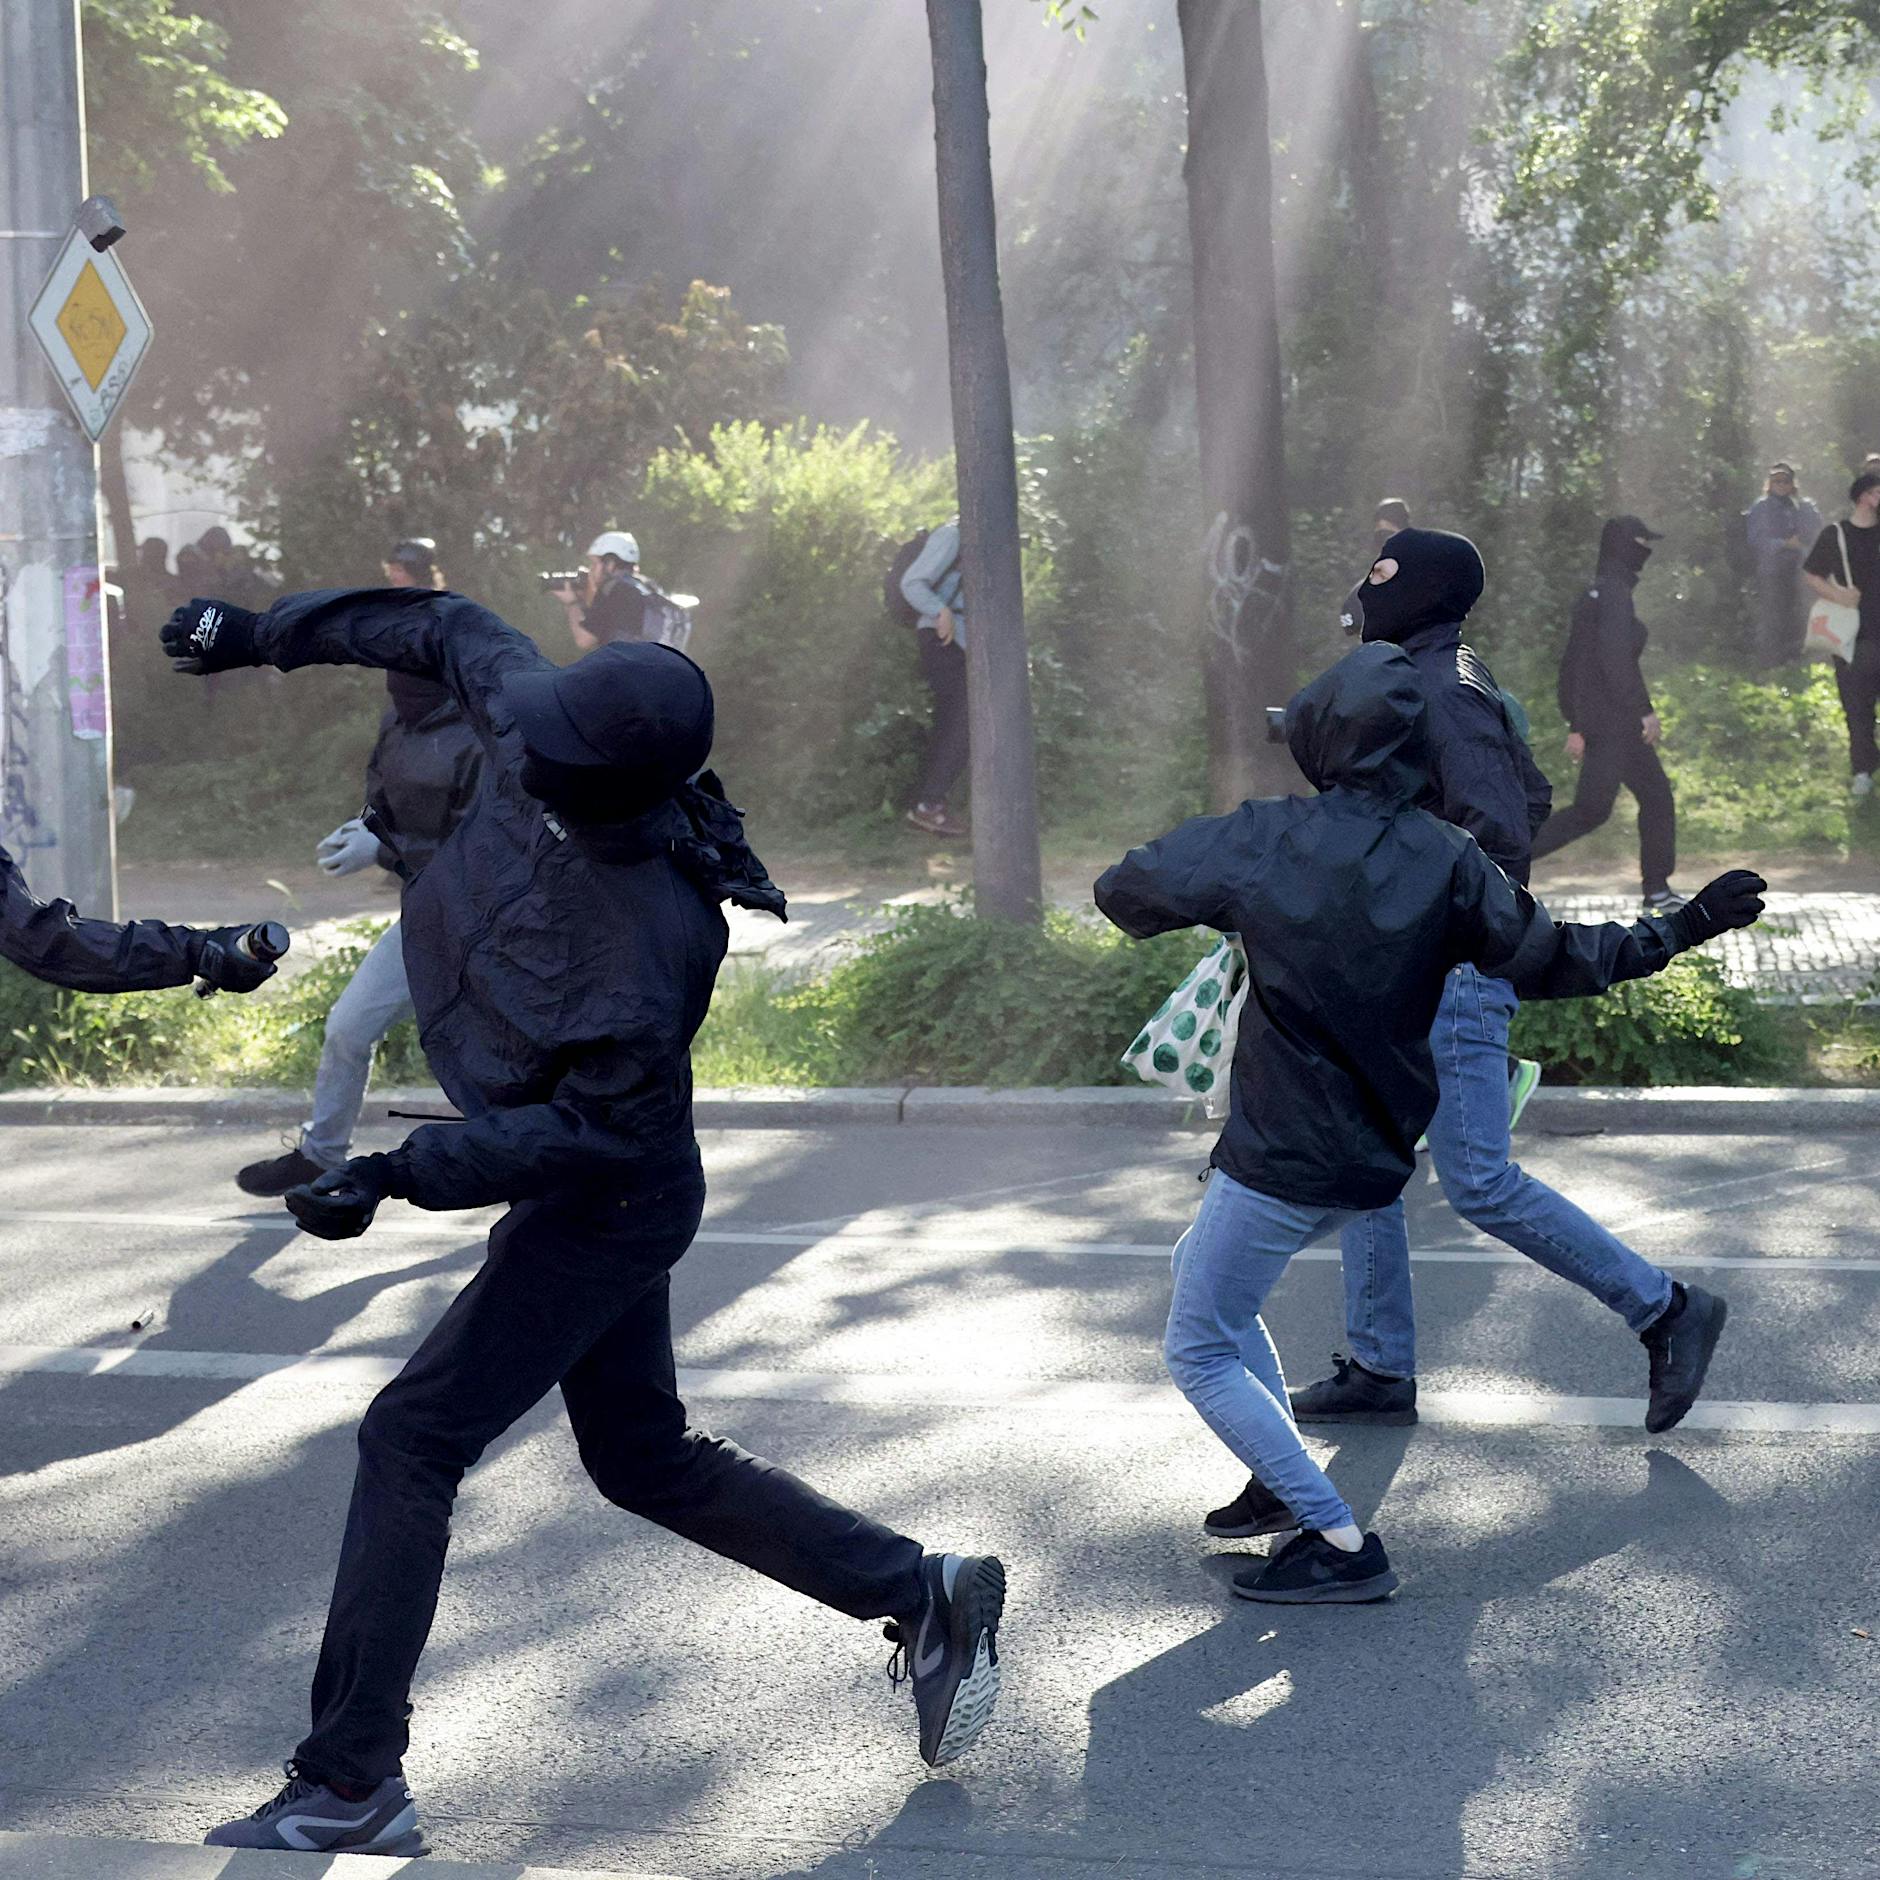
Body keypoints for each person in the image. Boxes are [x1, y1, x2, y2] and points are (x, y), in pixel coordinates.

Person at [161, 585, 1005, 1857]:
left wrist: (401, 1172)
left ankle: (349, 1778)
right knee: (640, 1454)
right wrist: (261, 636)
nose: (523, 756)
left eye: (546, 759)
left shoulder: (653, 934)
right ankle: (917, 1590)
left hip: (610, 1199)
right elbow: (441, 623)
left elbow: (596, 1133)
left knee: (412, 1433)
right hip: (592, 1173)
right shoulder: (536, 715)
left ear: (611, 785)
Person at [1097, 640, 1763, 1604]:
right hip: (1370, 1153)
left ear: (1322, 740)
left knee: (1196, 1342)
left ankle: (1337, 1540)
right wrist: (1685, 924)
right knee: (1203, 1279)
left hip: (1281, 1150)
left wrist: (1243, 903)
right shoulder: (1448, 857)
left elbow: (1125, 888)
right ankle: (1280, 1475)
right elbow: (1557, 958)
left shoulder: (1265, 838)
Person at [1289, 528, 1719, 1441]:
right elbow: (1521, 793)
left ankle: (1666, 1309)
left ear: (1419, 596)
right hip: (1402, 965)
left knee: (1478, 1180)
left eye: (1382, 582)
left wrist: (1424, 907)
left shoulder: (1441, 689)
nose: (1366, 596)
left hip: (1446, 967)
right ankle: (1377, 1366)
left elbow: (1500, 827)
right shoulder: (1432, 677)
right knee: (1368, 1168)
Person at [236, 540, 483, 1197]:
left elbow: (485, 851)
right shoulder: (397, 722)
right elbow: (386, 799)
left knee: (498, 1066)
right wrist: (369, 826)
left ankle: (550, 1175)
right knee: (348, 1025)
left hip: (495, 930)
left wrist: (387, 850)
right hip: (424, 919)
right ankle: (321, 1153)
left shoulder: (480, 736)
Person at [1529, 516, 1684, 912]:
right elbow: (1612, 661)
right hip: (1614, 722)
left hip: (1606, 720)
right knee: (1596, 809)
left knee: (1630, 802)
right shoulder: (1613, 593)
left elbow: (1580, 665)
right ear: (1622, 545)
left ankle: (1657, 888)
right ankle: (1500, 859)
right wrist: (1643, 711)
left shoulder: (1598, 592)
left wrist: (1579, 722)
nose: (1646, 548)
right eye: (1641, 540)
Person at [1802, 471, 1880, 800]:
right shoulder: (1837, 535)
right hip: (1855, 638)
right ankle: (1862, 773)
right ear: (1865, 496)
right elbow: (1811, 573)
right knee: (1857, 709)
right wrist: (1838, 596)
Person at [898, 515, 969, 837]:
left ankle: (927, 805)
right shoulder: (952, 534)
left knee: (954, 722)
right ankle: (928, 806)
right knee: (963, 719)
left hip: (962, 643)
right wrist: (940, 611)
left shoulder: (980, 538)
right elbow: (912, 582)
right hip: (942, 639)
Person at [1746, 464, 1821, 668]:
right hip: (1773, 570)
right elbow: (1755, 539)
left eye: (1785, 480)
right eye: (1776, 481)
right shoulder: (1761, 507)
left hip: (1801, 570)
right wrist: (1784, 544)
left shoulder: (1804, 507)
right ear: (1769, 483)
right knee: (1773, 616)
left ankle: (1797, 660)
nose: (1781, 484)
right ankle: (1770, 663)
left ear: (1792, 483)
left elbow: (1815, 532)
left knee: (1801, 615)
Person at [551, 529, 650, 651]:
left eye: (594, 563)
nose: (590, 569)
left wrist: (571, 602)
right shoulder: (645, 587)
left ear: (610, 564)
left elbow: (583, 639)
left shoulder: (613, 590)